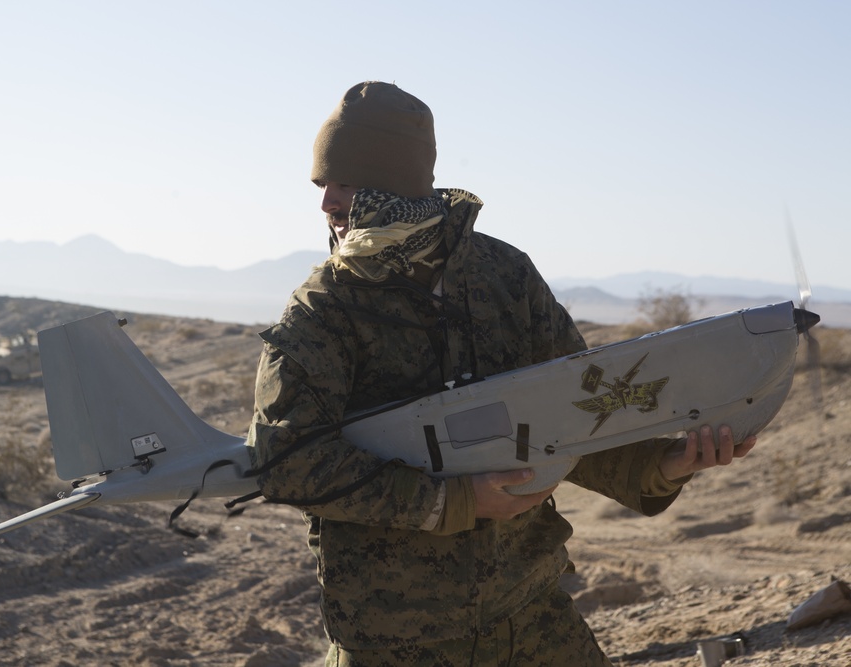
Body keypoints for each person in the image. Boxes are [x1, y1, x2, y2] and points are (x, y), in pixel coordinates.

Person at [246, 81, 756, 667]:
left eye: (347, 184)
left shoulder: (503, 275)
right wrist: (453, 502)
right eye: (321, 185)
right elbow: (287, 461)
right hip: (395, 636)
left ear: (398, 184)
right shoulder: (324, 308)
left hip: (528, 610)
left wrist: (663, 465)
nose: (327, 203)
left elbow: (573, 414)